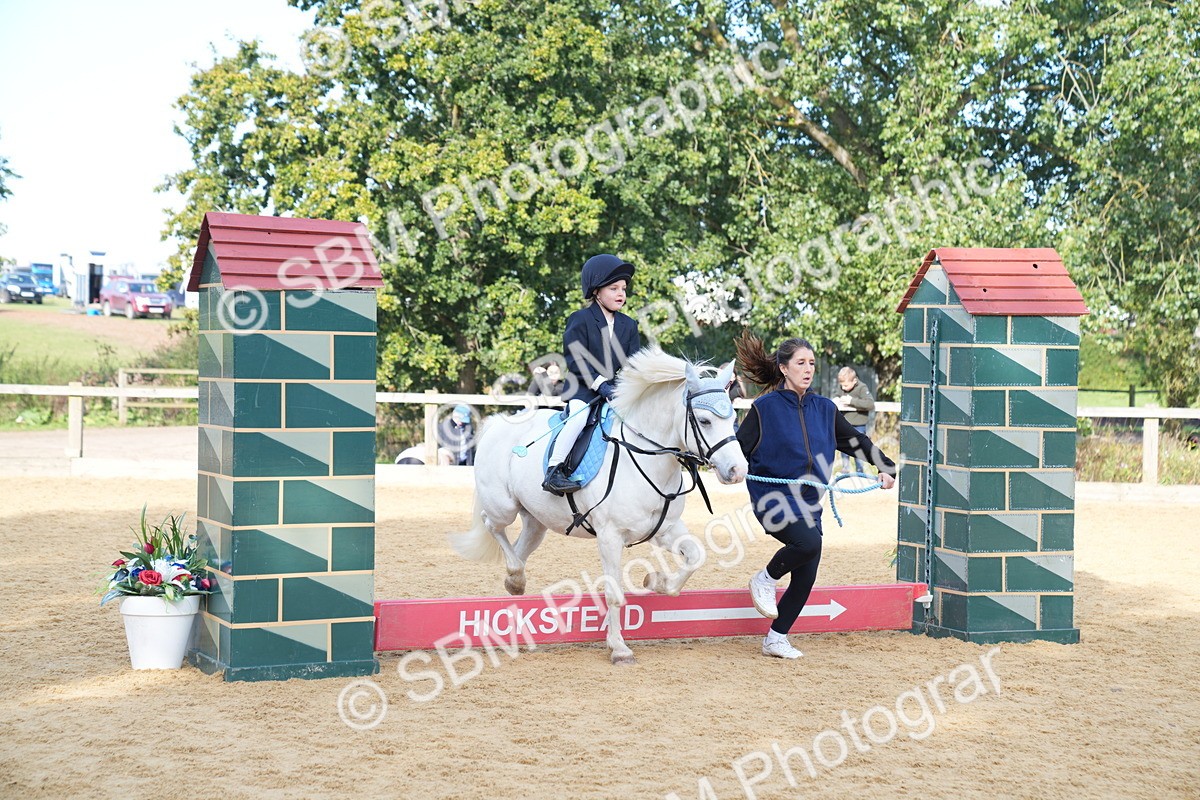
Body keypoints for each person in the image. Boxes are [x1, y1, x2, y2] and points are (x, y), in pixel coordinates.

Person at [734, 331, 896, 659]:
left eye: (811, 363)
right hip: (773, 498)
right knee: (808, 543)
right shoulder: (764, 408)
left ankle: (775, 639)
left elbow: (855, 441)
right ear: (784, 368)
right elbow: (739, 450)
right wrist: (729, 468)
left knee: (807, 572)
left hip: (810, 501)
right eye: (800, 363)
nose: (808, 369)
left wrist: (885, 465)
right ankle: (765, 578)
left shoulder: (824, 408)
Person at [542, 254, 642, 495]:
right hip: (583, 388)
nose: (621, 294)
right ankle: (554, 470)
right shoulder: (580, 319)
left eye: (623, 289)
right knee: (578, 417)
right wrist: (600, 385)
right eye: (614, 288)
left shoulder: (629, 325)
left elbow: (633, 363)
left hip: (614, 390)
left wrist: (629, 386)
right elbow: (576, 360)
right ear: (596, 291)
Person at [833, 366, 875, 474]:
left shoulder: (862, 388)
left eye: (846, 385)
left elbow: (870, 403)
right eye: (842, 385)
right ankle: (845, 468)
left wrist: (851, 401)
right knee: (844, 447)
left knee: (858, 449)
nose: (843, 388)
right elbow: (837, 395)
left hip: (858, 425)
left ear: (854, 381)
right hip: (845, 423)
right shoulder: (842, 387)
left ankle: (860, 471)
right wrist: (836, 399)